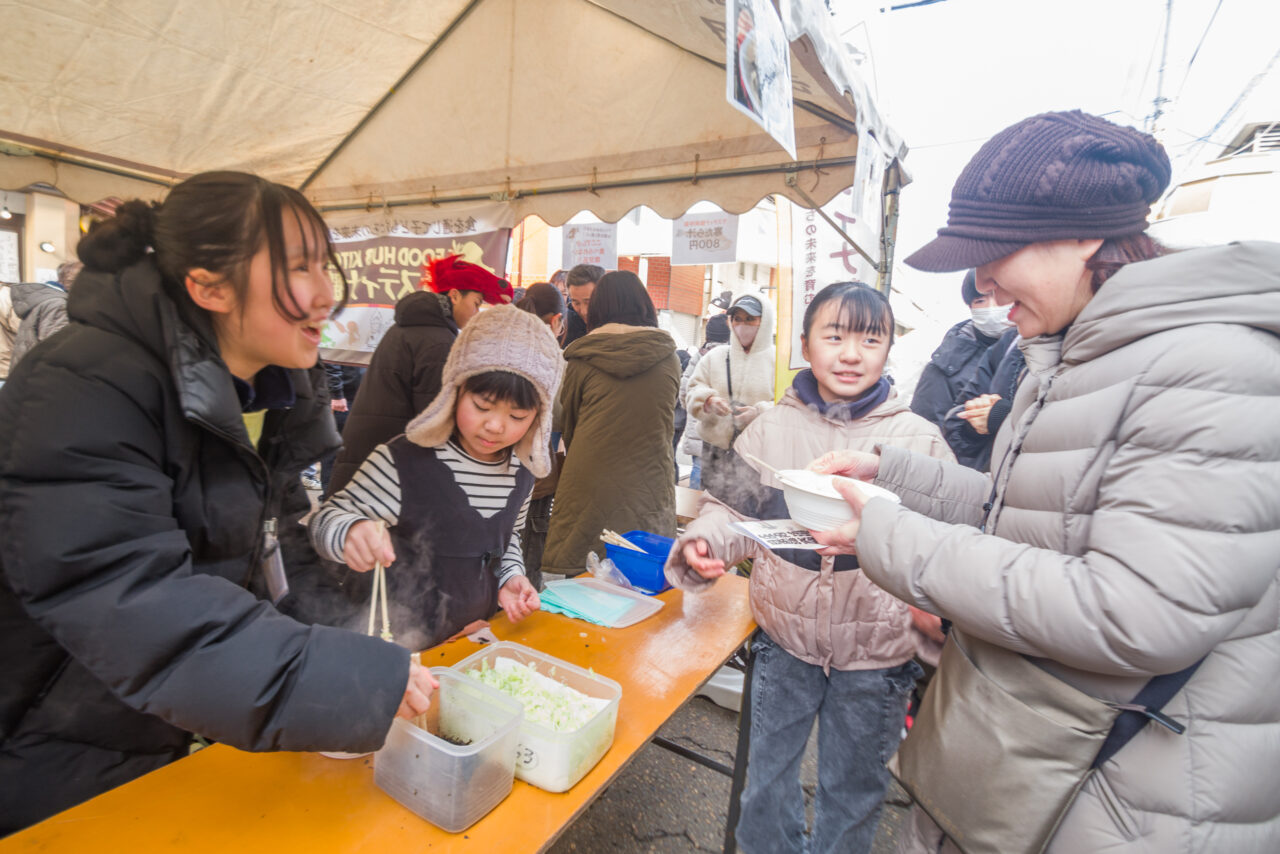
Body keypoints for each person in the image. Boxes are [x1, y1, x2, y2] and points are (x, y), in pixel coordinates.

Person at [808, 111, 1280, 852]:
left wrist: (892, 537)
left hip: (1127, 796)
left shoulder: (1212, 366)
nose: (983, 281)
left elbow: (1135, 611)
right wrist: (891, 474)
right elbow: (1021, 513)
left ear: (1087, 235)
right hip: (1036, 760)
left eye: (996, 251)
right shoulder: (1065, 352)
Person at [0, 172, 437, 833]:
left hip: (168, 717)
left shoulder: (268, 388)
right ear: (209, 287)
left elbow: (271, 544)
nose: (326, 294)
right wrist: (342, 679)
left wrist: (342, 621)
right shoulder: (84, 384)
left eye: (326, 265)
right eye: (299, 268)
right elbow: (132, 599)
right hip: (53, 730)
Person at [665, 282, 952, 854]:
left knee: (853, 792)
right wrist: (704, 543)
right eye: (835, 336)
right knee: (765, 785)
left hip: (878, 654)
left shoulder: (918, 441)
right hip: (784, 642)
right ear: (804, 344)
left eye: (870, 340)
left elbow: (944, 543)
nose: (851, 354)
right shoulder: (770, 429)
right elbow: (729, 510)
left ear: (888, 348)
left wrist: (935, 607)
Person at [303, 305, 561, 651]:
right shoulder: (404, 461)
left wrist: (510, 576)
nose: (495, 425)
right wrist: (350, 531)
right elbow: (324, 522)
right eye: (482, 406)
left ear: (538, 417)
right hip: (391, 645)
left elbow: (508, 536)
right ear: (455, 389)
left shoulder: (522, 471)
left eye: (517, 416)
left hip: (467, 641)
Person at [328, 253, 512, 493]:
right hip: (387, 471)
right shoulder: (436, 341)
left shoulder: (412, 328)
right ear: (455, 295)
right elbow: (434, 419)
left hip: (371, 459)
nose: (476, 312)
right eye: (476, 303)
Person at [542, 270, 680, 577]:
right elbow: (665, 417)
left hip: (589, 479)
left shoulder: (580, 359)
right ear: (644, 305)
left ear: (599, 308)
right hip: (650, 480)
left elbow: (569, 421)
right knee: (644, 574)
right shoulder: (668, 358)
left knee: (583, 580)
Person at [685, 293, 776, 500]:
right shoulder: (715, 357)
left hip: (757, 454)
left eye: (750, 319)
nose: (742, 325)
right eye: (737, 319)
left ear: (765, 321)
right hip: (715, 451)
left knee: (752, 508)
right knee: (711, 504)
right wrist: (708, 401)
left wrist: (759, 413)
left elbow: (790, 404)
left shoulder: (777, 361)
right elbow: (692, 389)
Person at [908, 269, 1012, 429]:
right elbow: (925, 429)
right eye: (980, 301)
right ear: (970, 307)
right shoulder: (946, 364)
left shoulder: (1037, 349)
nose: (992, 308)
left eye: (999, 298)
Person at [515, 282, 568, 588]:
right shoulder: (548, 357)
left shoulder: (499, 346)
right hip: (533, 475)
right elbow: (558, 414)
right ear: (556, 320)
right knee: (526, 567)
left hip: (495, 471)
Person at [941, 325, 1023, 471]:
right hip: (984, 472)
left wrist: (1008, 418)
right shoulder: (1012, 340)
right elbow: (962, 411)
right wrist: (973, 425)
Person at [679, 313, 730, 489]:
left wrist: (693, 409)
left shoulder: (699, 356)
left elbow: (684, 389)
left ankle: (694, 505)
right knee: (724, 476)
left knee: (698, 466)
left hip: (698, 426)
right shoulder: (731, 357)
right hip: (723, 428)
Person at [9, 261, 81, 369]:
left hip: (29, 371)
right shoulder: (59, 305)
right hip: (41, 374)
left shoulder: (46, 300)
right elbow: (58, 351)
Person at [319, 360, 366, 492]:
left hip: (359, 394)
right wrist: (337, 394)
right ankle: (328, 494)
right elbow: (331, 362)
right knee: (335, 450)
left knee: (352, 450)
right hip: (343, 397)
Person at [561, 263, 603, 348]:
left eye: (588, 302)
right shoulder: (565, 328)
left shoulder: (618, 325)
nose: (584, 311)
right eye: (576, 303)